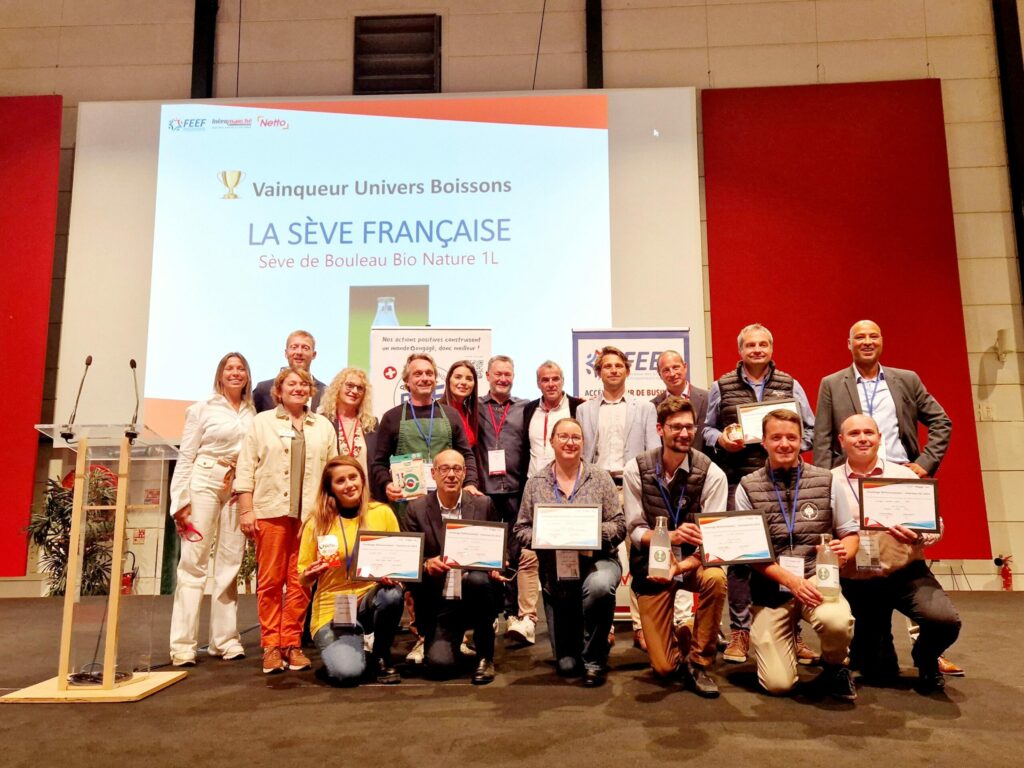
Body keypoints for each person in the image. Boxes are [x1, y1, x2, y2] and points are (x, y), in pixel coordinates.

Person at [813, 319, 962, 676]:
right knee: (876, 668)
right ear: (848, 343)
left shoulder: (905, 380)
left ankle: (927, 652)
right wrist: (823, 484)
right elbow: (822, 438)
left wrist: (923, 465)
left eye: (873, 336)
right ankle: (873, 640)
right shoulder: (832, 383)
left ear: (882, 341)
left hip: (897, 481)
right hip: (850, 482)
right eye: (859, 337)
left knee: (910, 564)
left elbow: (942, 422)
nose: (867, 341)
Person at [704, 323, 815, 664]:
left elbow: (810, 431)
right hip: (739, 480)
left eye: (762, 344)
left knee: (788, 550)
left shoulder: (790, 384)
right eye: (750, 345)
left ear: (771, 348)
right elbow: (706, 430)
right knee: (740, 556)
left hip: (786, 482)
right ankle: (740, 631)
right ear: (740, 350)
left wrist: (786, 446)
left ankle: (793, 631)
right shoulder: (721, 385)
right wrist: (721, 440)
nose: (756, 349)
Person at [831, 414, 961, 693]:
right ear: (842, 441)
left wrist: (918, 536)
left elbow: (937, 526)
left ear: (880, 438)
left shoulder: (904, 475)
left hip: (905, 573)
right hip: (857, 580)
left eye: (869, 432)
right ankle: (868, 649)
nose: (862, 438)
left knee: (945, 622)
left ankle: (926, 659)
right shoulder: (829, 481)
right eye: (854, 433)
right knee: (877, 670)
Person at [735, 410, 858, 700]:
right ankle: (786, 638)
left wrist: (843, 554)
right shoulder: (747, 487)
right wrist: (791, 582)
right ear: (763, 442)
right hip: (770, 587)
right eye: (776, 437)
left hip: (817, 578)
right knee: (778, 685)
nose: (784, 444)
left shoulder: (826, 480)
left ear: (802, 440)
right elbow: (750, 553)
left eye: (791, 437)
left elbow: (850, 534)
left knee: (836, 621)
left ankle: (835, 666)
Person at [235, 367, 338, 674]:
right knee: (270, 581)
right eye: (291, 384)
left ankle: (291, 643)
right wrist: (246, 509)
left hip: (310, 517)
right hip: (271, 511)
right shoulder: (262, 422)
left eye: (304, 384)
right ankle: (271, 645)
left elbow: (333, 471)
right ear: (278, 391)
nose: (298, 388)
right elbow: (245, 467)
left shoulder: (323, 425)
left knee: (301, 581)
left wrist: (330, 511)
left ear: (311, 391)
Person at [623, 397, 728, 697]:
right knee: (665, 668)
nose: (684, 433)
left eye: (689, 427)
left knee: (716, 578)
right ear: (660, 429)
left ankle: (699, 661)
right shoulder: (636, 469)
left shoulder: (712, 473)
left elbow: (714, 539)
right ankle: (686, 631)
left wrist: (680, 566)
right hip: (653, 567)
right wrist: (670, 537)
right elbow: (634, 530)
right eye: (676, 427)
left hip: (693, 563)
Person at [515, 418, 626, 687]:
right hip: (556, 572)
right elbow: (521, 530)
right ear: (551, 441)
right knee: (566, 666)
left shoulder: (600, 478)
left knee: (599, 588)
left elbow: (619, 525)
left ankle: (595, 659)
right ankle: (590, 640)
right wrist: (547, 537)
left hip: (598, 561)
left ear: (583, 443)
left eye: (576, 437)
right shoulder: (536, 482)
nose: (570, 442)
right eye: (563, 436)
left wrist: (587, 533)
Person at [168, 352, 256, 666]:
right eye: (229, 368)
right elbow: (186, 455)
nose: (235, 373)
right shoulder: (201, 409)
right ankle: (183, 645)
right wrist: (180, 500)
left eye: (241, 368)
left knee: (230, 563)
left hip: (237, 484)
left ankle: (225, 640)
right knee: (193, 562)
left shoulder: (253, 412)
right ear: (220, 375)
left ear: (247, 376)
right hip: (204, 479)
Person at [577, 345, 660, 650]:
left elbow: (653, 451)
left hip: (632, 486)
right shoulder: (584, 410)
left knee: (639, 557)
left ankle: (642, 627)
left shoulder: (645, 408)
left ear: (627, 370)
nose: (613, 370)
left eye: (618, 366)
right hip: (598, 488)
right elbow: (583, 453)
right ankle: (605, 625)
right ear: (598, 372)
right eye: (607, 366)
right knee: (600, 558)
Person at [298, 456, 404, 685]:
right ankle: (353, 648)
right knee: (347, 674)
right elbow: (302, 578)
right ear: (330, 488)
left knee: (392, 595)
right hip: (332, 609)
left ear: (362, 479)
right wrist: (310, 574)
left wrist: (394, 575)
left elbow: (397, 562)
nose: (349, 485)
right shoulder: (317, 522)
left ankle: (381, 655)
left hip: (368, 599)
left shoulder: (382, 513)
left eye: (353, 477)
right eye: (340, 481)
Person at [404, 449, 503, 684]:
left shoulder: (483, 504)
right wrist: (426, 564)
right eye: (444, 469)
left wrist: (498, 564)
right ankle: (451, 642)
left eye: (457, 469)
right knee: (439, 666)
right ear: (433, 474)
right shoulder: (416, 509)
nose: (451, 475)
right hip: (439, 601)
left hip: (474, 595)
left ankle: (485, 656)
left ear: (465, 473)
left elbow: (501, 546)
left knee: (477, 579)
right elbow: (408, 559)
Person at [510, 360, 584, 646]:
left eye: (555, 379)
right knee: (529, 553)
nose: (551, 384)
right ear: (538, 383)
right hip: (537, 489)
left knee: (577, 553)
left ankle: (589, 617)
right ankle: (527, 619)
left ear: (563, 380)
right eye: (545, 380)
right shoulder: (529, 409)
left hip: (572, 489)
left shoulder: (578, 407)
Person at [370, 353, 480, 514]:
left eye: (429, 373)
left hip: (448, 502)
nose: (425, 378)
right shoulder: (391, 418)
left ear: (435, 380)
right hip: (407, 505)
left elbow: (466, 455)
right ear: (407, 381)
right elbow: (379, 463)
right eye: (418, 374)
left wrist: (470, 483)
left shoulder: (451, 415)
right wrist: (387, 484)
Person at [474, 356, 531, 634]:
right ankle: (489, 611)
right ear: (487, 375)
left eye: (508, 374)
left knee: (514, 553)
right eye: (498, 374)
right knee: (485, 553)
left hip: (516, 489)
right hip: (483, 491)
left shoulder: (525, 407)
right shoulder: (473, 406)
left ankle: (511, 612)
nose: (503, 379)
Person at [319, 367, 378, 478]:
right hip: (335, 486)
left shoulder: (371, 424)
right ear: (338, 387)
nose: (354, 391)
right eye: (349, 385)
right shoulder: (323, 421)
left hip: (366, 488)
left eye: (360, 388)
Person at [252, 330, 327, 412]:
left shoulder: (325, 392)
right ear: (286, 353)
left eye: (305, 348)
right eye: (294, 347)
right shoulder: (263, 389)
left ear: (314, 355)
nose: (299, 352)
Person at [652, 350, 709, 453]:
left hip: (704, 461)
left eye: (676, 367)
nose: (672, 374)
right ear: (660, 374)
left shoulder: (707, 399)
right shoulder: (653, 406)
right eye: (666, 370)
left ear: (685, 367)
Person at [440, 360, 480, 448]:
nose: (464, 382)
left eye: (469, 379)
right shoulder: (436, 410)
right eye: (458, 377)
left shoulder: (469, 413)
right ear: (448, 380)